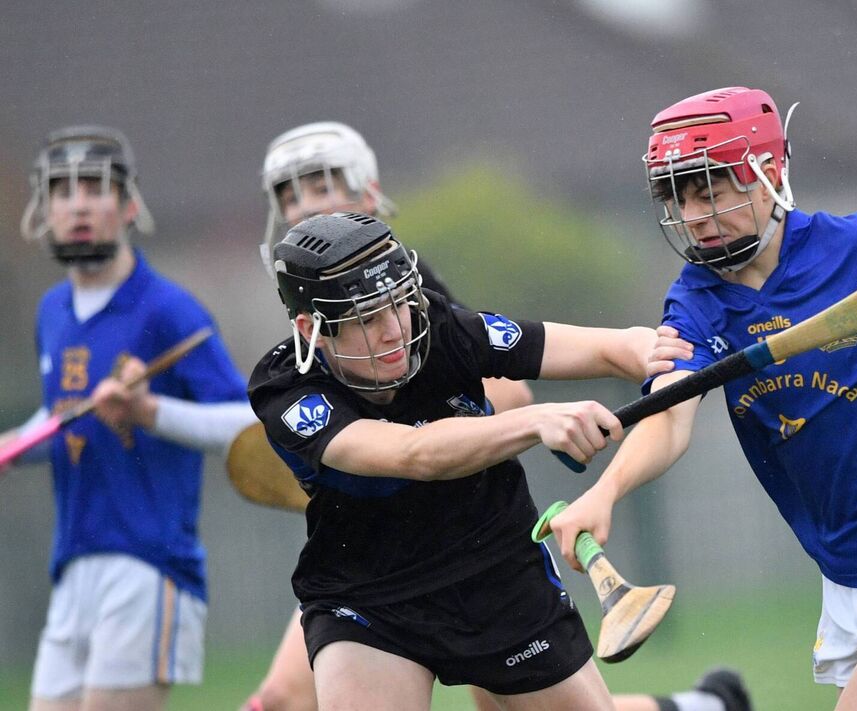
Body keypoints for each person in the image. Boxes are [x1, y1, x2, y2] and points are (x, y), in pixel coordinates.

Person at [548, 86, 857, 711]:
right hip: (844, 579)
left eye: (711, 190)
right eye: (680, 196)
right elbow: (671, 415)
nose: (695, 214)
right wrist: (607, 490)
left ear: (770, 175)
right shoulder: (697, 300)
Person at [247, 210, 753, 710]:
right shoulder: (287, 391)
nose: (394, 329)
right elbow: (413, 453)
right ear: (312, 327)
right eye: (368, 318)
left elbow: (611, 348)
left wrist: (671, 360)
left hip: (498, 575)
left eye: (398, 303)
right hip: (369, 600)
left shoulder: (441, 327)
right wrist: (536, 422)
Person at [0, 126, 256, 711]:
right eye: (63, 191)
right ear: (44, 211)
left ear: (129, 205)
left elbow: (245, 419)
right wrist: (13, 446)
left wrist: (148, 411)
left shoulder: (168, 309)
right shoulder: (52, 311)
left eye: (95, 187)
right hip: (73, 566)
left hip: (148, 564)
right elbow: (64, 416)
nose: (80, 204)